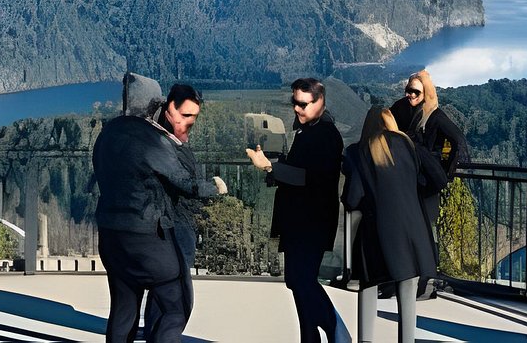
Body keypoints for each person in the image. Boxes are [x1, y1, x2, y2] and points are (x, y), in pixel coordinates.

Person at [92, 75, 221, 343]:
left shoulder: (107, 135)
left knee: (123, 309)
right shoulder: (152, 140)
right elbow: (186, 183)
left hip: (111, 235)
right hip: (146, 236)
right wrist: (216, 188)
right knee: (175, 304)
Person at [246, 76, 346, 343]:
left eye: (303, 104)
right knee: (297, 281)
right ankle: (312, 336)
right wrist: (276, 166)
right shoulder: (311, 131)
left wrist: (270, 167)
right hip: (302, 221)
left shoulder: (325, 134)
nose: (297, 109)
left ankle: (334, 327)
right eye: (295, 103)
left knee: (301, 281)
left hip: (310, 222)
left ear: (320, 102)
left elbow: (308, 177)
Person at [342, 107, 437, 343]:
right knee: (407, 289)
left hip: (379, 233)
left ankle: (366, 340)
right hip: (414, 231)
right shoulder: (406, 145)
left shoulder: (359, 151)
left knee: (368, 283)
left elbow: (353, 198)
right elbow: (429, 179)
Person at [143, 83, 227, 339]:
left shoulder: (168, 137)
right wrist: (213, 189)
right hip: (173, 225)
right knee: (178, 299)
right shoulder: (162, 143)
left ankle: (154, 334)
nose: (190, 122)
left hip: (176, 222)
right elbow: (181, 181)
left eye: (194, 116)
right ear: (170, 109)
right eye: (185, 115)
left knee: (165, 292)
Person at [390, 69, 468, 224]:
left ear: (425, 92)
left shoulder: (435, 116)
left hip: (425, 181)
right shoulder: (401, 107)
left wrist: (442, 165)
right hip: (407, 178)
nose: (410, 94)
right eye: (408, 90)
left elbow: (457, 140)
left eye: (415, 91)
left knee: (424, 224)